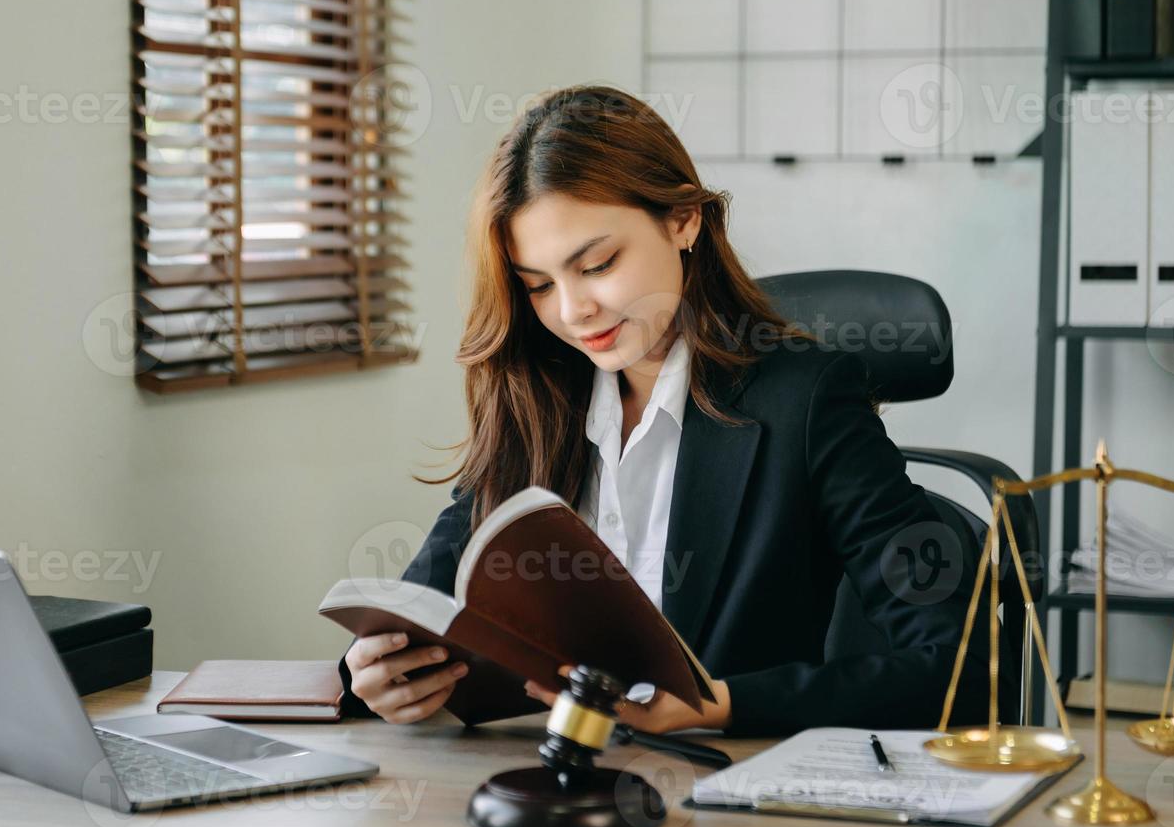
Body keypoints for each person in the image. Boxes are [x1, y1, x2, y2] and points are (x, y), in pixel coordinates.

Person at [341, 85, 994, 735]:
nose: (572, 312)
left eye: (596, 264)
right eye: (539, 285)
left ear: (684, 220)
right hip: (533, 781)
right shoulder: (533, 397)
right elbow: (418, 609)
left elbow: (955, 668)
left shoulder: (808, 401)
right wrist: (374, 673)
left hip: (719, 798)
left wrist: (723, 702)